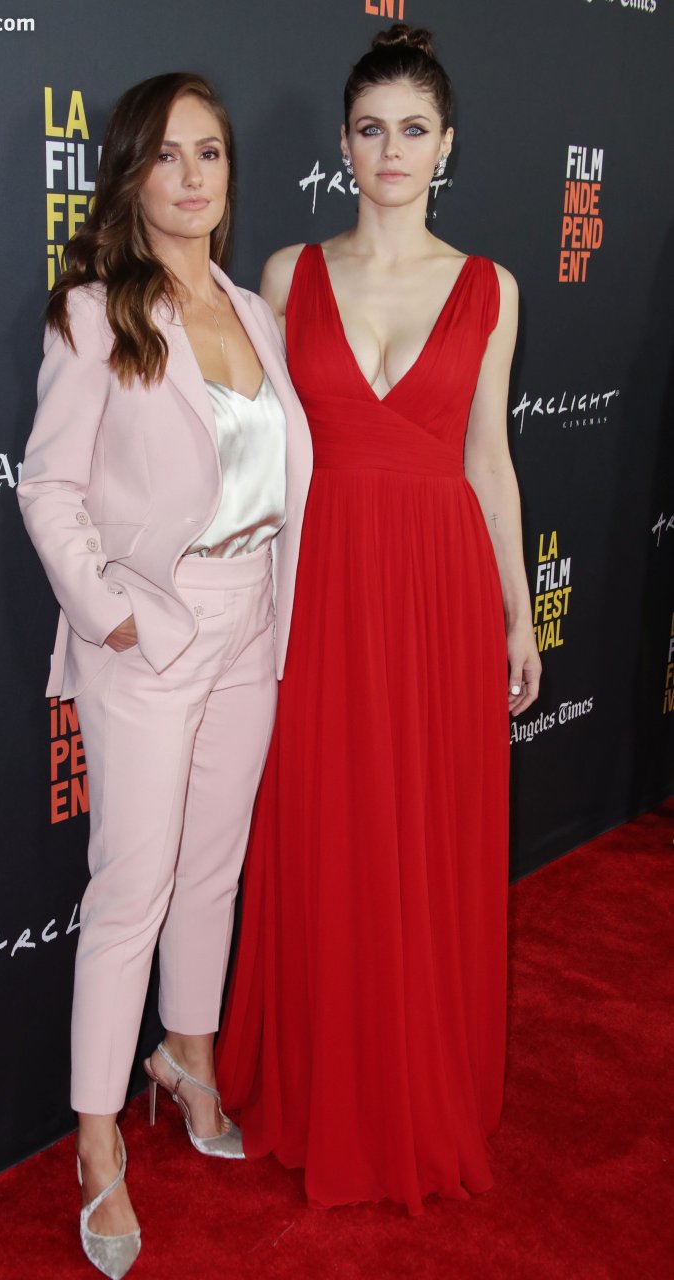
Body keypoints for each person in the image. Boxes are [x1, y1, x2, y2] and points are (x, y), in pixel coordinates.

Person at [216, 25, 541, 1214]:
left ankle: (414, 1077)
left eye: (413, 130)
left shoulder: (490, 287)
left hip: (441, 592)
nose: (390, 151)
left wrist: (517, 614)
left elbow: (488, 458)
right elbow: (252, 459)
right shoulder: (286, 277)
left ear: (446, 145)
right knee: (329, 825)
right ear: (342, 144)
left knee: (423, 833)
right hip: (322, 586)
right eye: (370, 129)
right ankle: (325, 1076)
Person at [18, 73, 311, 1277]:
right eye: (169, 156)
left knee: (211, 865)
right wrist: (115, 616)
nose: (194, 177)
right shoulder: (95, 313)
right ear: (131, 176)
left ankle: (186, 1052)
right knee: (130, 884)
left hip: (252, 619)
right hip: (153, 627)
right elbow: (48, 485)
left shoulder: (252, 308)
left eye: (212, 153)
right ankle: (96, 1136)